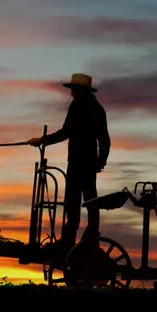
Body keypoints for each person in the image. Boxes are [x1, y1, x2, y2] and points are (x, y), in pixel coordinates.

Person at [28, 72, 110, 252]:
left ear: (80, 90)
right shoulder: (97, 108)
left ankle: (69, 240)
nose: (71, 93)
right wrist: (101, 161)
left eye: (73, 89)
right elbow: (104, 138)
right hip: (89, 161)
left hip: (78, 160)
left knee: (73, 200)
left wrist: (43, 140)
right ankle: (91, 237)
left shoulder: (78, 106)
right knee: (91, 200)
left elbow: (66, 132)